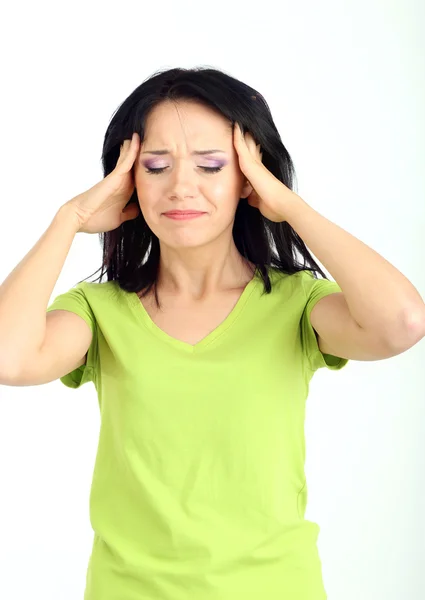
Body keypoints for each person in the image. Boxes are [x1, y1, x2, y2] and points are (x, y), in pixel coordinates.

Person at [1, 66, 424, 600]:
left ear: (247, 178)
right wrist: (70, 217)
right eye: (156, 166)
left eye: (210, 165)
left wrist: (290, 207)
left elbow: (403, 323)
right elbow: (9, 359)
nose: (181, 186)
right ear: (129, 180)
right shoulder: (98, 311)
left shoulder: (296, 304)